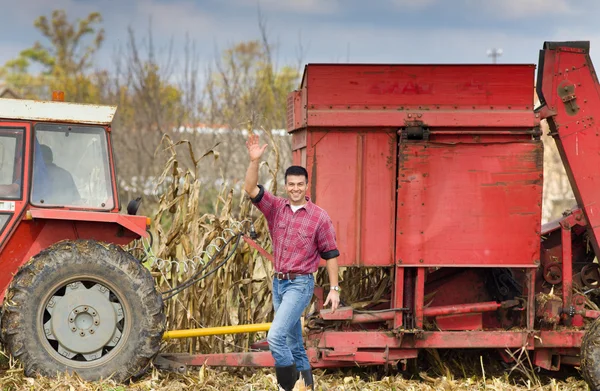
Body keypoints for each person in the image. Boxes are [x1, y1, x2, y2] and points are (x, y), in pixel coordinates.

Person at [244, 133, 340, 391]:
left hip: (300, 285)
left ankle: (287, 388)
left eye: (300, 184)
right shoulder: (275, 208)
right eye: (291, 184)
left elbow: (331, 254)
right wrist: (254, 162)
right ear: (285, 186)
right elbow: (250, 189)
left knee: (275, 338)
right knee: (295, 343)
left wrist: (334, 289)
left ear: (306, 186)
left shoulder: (319, 217)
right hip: (279, 284)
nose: (296, 188)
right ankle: (307, 386)